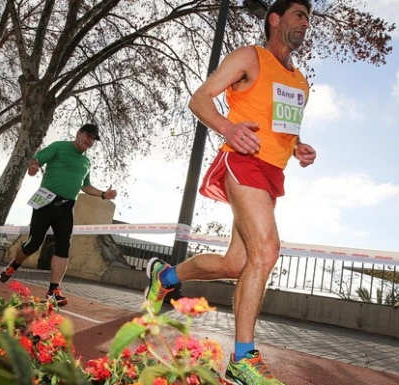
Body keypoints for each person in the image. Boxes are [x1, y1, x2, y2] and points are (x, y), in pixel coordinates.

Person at [144, 1, 316, 384]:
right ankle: (242, 358)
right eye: (299, 14)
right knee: (267, 250)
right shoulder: (249, 57)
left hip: (272, 174)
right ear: (275, 19)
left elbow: (282, 130)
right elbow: (199, 99)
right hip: (242, 162)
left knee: (236, 264)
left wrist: (298, 147)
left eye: (309, 18)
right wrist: (227, 128)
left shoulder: (301, 82)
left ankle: (166, 277)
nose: (306, 23)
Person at [0, 123, 118, 306]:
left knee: (63, 247)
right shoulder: (59, 146)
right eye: (88, 136)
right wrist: (33, 168)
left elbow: (85, 186)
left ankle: (53, 291)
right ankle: (13, 266)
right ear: (78, 133)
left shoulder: (86, 162)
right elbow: (36, 161)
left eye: (93, 139)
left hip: (66, 207)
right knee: (33, 243)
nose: (90, 141)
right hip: (46, 201)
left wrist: (103, 194)